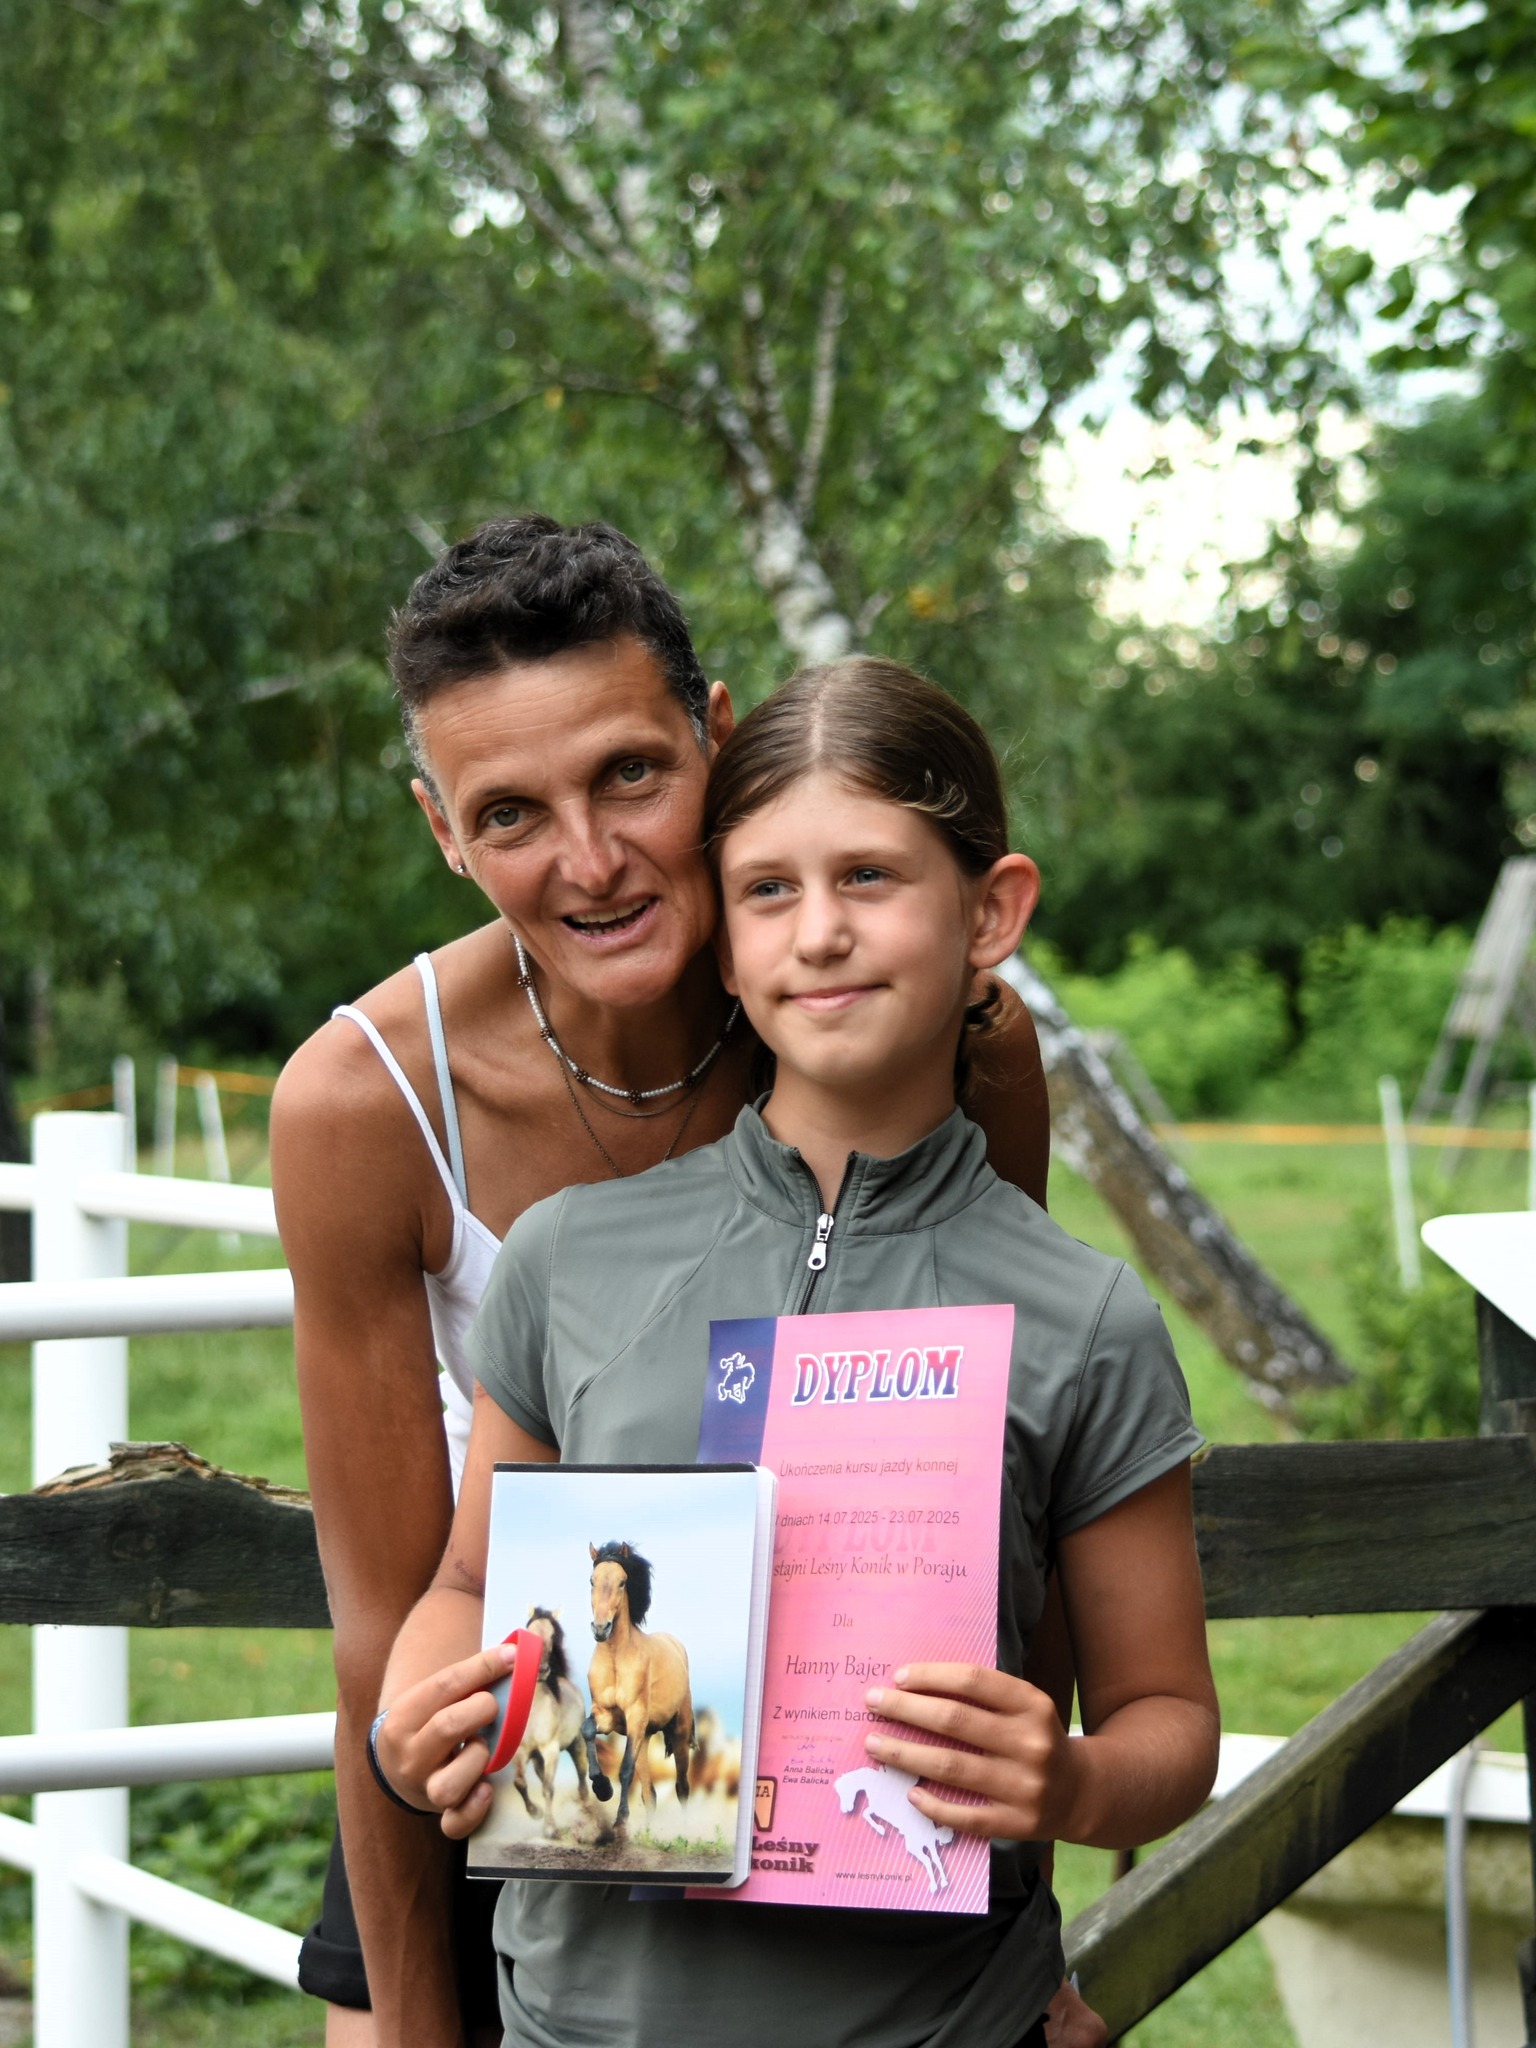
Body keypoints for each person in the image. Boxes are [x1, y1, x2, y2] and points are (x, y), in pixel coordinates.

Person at [270, 520, 1104, 2047]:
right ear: (441, 829)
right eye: (509, 813)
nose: (589, 861)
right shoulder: (365, 1103)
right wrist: (410, 2024)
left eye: (631, 776)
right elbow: (388, 1633)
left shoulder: (926, 1033)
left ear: (714, 734)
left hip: (860, 1799)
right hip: (513, 1757)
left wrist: (1022, 1940)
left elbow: (1009, 1514)